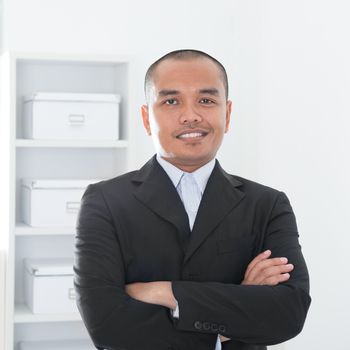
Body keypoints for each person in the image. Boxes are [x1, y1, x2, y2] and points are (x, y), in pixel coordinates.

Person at [74, 49, 311, 350]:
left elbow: (289, 312)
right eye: (171, 101)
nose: (190, 115)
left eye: (206, 100)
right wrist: (236, 315)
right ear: (147, 118)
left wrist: (167, 293)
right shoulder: (105, 201)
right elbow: (106, 324)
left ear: (227, 114)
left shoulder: (267, 204)